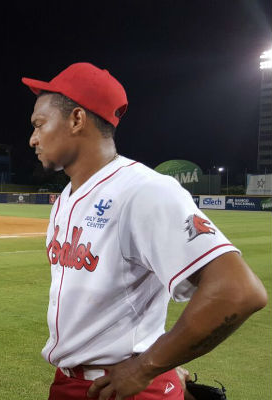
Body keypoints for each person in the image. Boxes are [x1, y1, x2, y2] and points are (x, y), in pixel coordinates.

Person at [21, 62, 267, 400]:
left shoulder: (144, 190)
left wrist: (148, 365)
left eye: (39, 124)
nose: (33, 138)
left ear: (77, 119)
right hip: (71, 382)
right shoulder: (67, 198)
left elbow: (239, 291)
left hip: (124, 388)